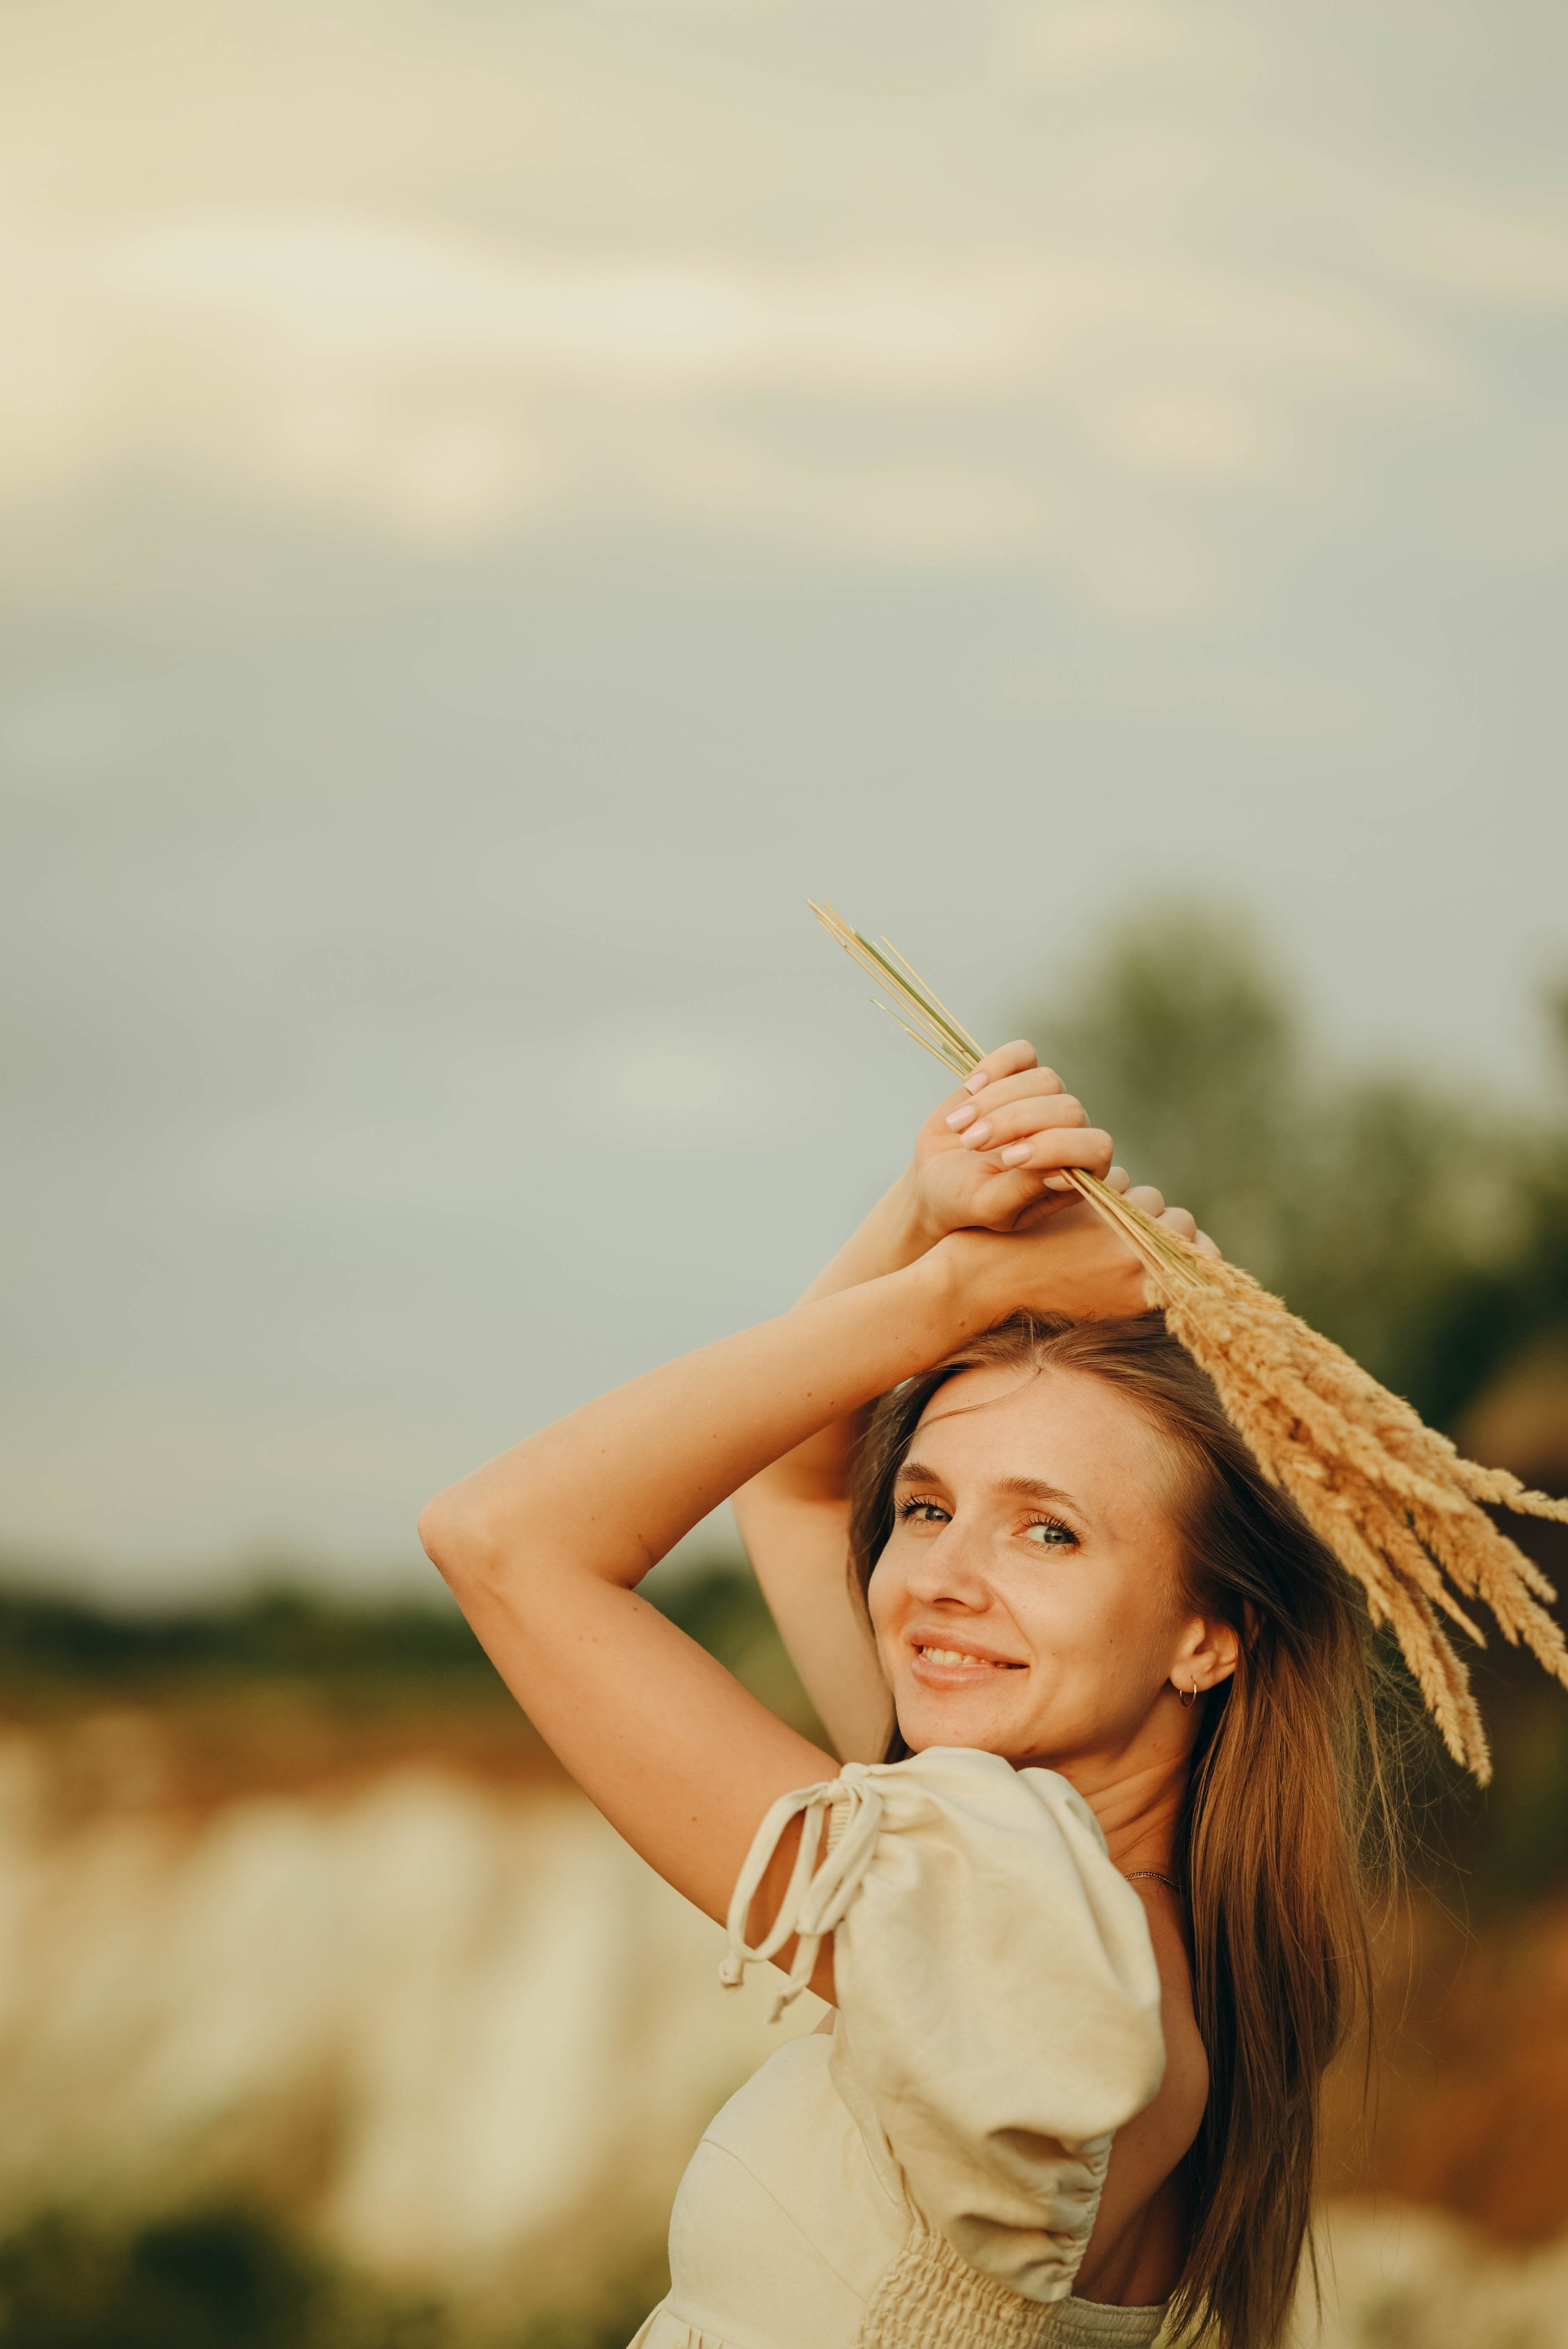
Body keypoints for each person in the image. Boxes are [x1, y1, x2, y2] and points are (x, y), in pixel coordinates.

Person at [420, 1046, 1384, 2349]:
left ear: (1207, 1636)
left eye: (1046, 1533)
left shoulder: (1013, 1924)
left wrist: (957, 1289)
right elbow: (799, 1483)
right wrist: (928, 1211)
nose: (939, 1579)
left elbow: (505, 1538)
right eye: (925, 1507)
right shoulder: (1099, 1905)